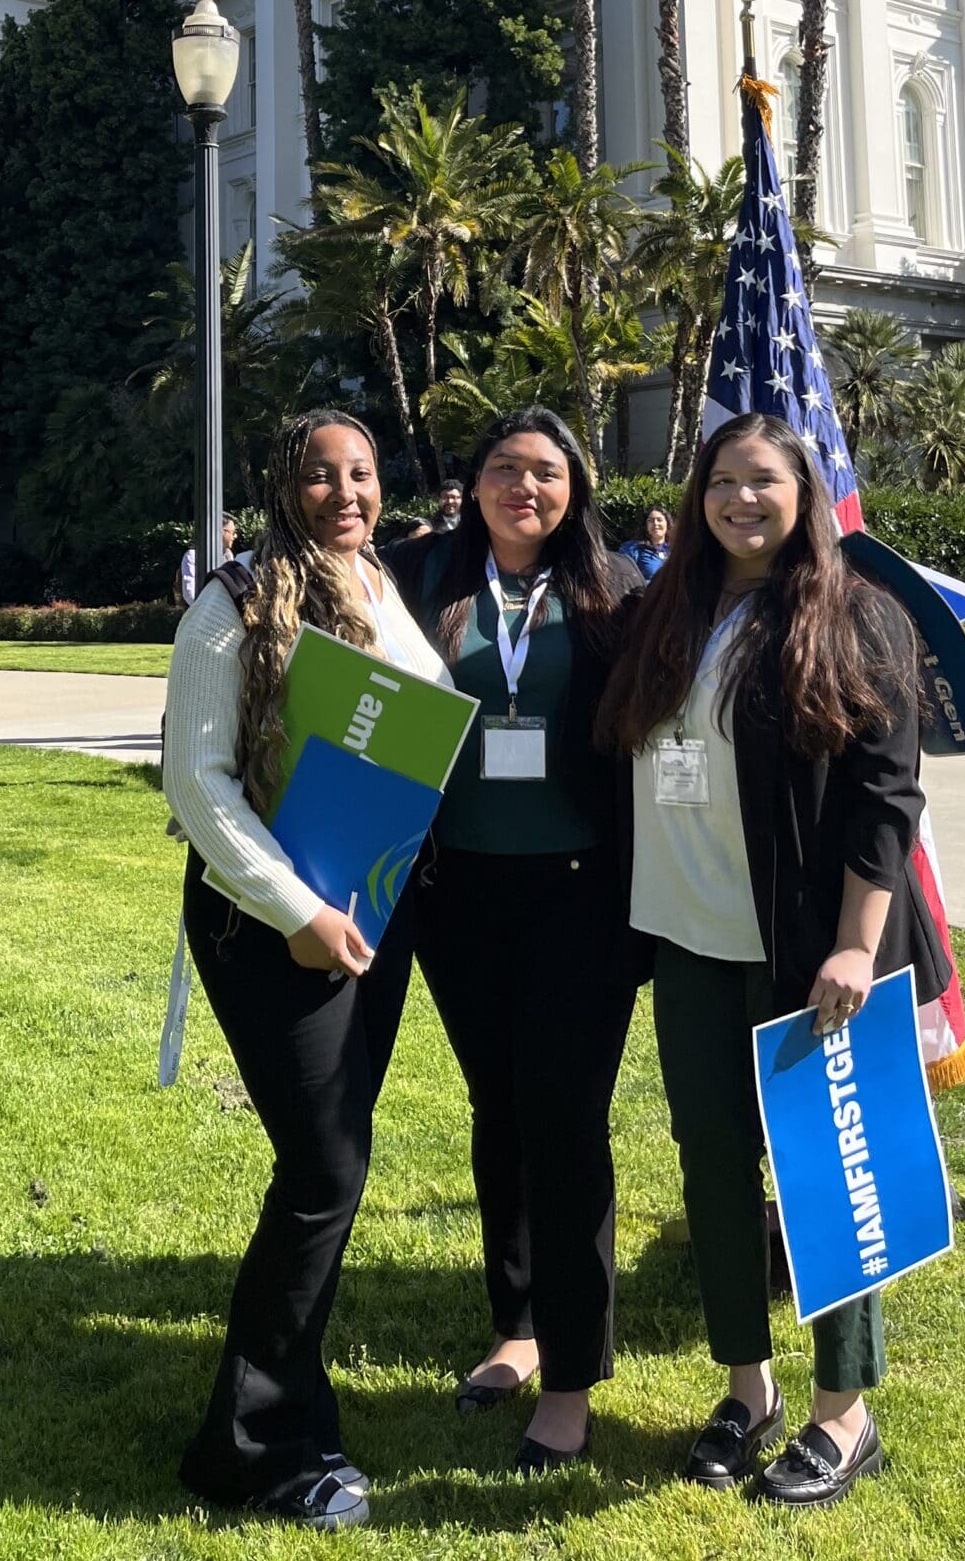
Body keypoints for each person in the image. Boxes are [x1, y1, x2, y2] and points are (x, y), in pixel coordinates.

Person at [597, 413, 948, 1510]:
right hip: (690, 938)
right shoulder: (669, 610)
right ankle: (746, 1388)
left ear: (804, 494)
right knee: (713, 1169)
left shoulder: (860, 617)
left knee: (831, 1182)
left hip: (811, 952)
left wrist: (854, 941)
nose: (739, 499)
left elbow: (887, 796)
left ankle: (845, 1414)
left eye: (763, 481)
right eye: (721, 481)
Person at [162, 411, 447, 1531]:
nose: (345, 492)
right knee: (325, 1170)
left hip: (370, 915)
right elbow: (198, 785)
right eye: (321, 475)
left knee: (333, 1168)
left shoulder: (380, 585)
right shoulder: (231, 605)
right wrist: (295, 909)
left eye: (362, 473)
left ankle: (280, 1406)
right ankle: (258, 1444)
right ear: (283, 486)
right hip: (266, 923)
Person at [389, 407, 644, 1476]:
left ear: (575, 488)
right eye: (504, 467)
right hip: (460, 894)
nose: (523, 487)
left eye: (545, 471)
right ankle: (518, 1323)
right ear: (474, 481)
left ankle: (573, 1381)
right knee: (499, 1107)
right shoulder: (420, 580)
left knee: (568, 1119)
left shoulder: (618, 594)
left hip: (584, 897)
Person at [178, 515, 238, 604]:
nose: (235, 536)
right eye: (232, 532)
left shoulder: (228, 556)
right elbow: (189, 593)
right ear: (221, 531)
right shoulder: (193, 556)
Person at [618, 505, 672, 582]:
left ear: (667, 524)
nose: (655, 523)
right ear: (645, 526)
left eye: (659, 520)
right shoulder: (633, 548)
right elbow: (623, 579)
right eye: (651, 520)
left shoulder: (675, 550)